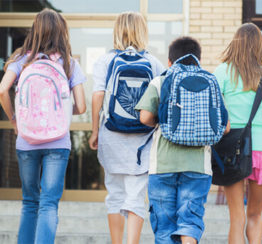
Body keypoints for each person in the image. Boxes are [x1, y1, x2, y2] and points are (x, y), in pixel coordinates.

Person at [0, 9, 86, 244]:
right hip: (58, 142)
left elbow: (1, 90)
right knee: (49, 203)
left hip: (26, 141)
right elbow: (82, 106)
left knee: (30, 202)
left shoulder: (21, 60)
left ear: (34, 30)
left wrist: (15, 120)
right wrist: (62, 111)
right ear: (61, 33)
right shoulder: (69, 63)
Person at [136, 36, 229, 244]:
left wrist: (163, 124)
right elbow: (225, 126)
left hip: (163, 165)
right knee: (190, 221)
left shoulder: (161, 81)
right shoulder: (210, 81)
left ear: (170, 61)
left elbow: (145, 117)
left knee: (164, 225)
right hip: (198, 166)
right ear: (198, 59)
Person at [88, 12, 164, 244]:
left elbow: (98, 96)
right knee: (136, 196)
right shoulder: (153, 62)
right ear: (143, 32)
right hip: (142, 142)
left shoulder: (105, 60)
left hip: (111, 135)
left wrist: (94, 131)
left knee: (115, 195)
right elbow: (160, 101)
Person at [213, 23, 262, 244]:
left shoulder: (222, 71)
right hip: (261, 148)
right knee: (255, 215)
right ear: (259, 46)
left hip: (231, 148)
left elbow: (215, 111)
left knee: (237, 218)